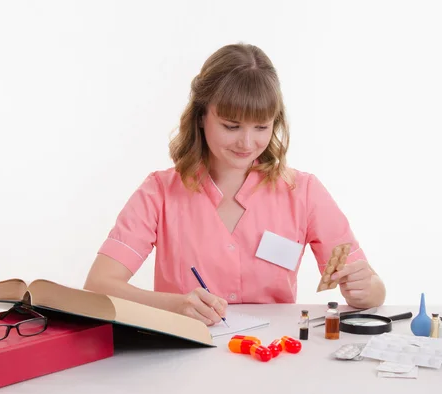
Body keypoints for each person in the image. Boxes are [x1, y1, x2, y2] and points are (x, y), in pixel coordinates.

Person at [83, 43, 386, 326]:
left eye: (261, 127)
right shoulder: (159, 192)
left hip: (272, 356)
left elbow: (374, 288)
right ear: (201, 117)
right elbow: (98, 287)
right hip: (183, 360)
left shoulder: (303, 192)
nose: (246, 142)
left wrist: (364, 289)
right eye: (231, 126)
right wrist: (174, 305)